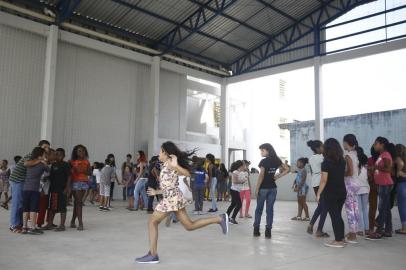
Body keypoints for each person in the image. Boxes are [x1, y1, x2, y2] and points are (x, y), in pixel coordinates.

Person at [135, 141, 229, 264]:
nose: (159, 154)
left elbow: (188, 174)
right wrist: (156, 192)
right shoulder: (166, 164)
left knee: (152, 222)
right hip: (173, 198)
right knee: (189, 226)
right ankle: (219, 219)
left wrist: (176, 165)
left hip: (171, 199)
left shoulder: (170, 164)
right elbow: (169, 185)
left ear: (166, 153)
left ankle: (153, 254)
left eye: (160, 151)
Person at [9, 140, 50, 233]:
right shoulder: (31, 155)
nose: (47, 149)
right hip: (17, 179)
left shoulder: (38, 158)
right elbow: (26, 163)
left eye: (48, 147)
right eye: (45, 147)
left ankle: (21, 224)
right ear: (39, 147)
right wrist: (41, 160)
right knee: (17, 203)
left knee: (23, 204)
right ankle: (14, 225)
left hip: (25, 181)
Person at [254, 143, 289, 238]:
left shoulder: (264, 161)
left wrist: (256, 189)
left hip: (263, 189)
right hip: (273, 188)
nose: (261, 152)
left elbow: (261, 175)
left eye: (262, 150)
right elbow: (287, 169)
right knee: (270, 210)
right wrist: (277, 177)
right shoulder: (276, 160)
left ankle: (256, 230)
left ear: (268, 150)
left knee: (259, 210)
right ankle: (268, 231)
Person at [316, 138, 347, 248]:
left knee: (335, 216)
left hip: (331, 193)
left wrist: (318, 193)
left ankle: (338, 240)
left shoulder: (326, 163)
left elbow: (324, 180)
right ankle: (342, 238)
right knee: (338, 215)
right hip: (342, 192)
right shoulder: (342, 161)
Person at [366, 137, 394, 240]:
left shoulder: (385, 155)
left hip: (385, 184)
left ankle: (379, 231)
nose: (374, 145)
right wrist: (372, 168)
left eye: (376, 143)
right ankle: (388, 230)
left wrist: (375, 167)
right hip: (382, 184)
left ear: (382, 144)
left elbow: (388, 169)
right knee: (386, 208)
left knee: (382, 208)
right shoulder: (382, 155)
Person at [22, 147, 49, 235]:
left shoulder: (29, 162)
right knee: (33, 208)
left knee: (26, 208)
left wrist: (40, 160)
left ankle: (24, 227)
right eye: (44, 154)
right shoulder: (41, 164)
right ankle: (32, 228)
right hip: (34, 189)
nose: (45, 155)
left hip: (26, 188)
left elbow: (26, 163)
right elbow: (48, 171)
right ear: (40, 154)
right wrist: (43, 161)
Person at [306, 140, 329, 237]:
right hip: (321, 182)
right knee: (324, 207)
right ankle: (319, 230)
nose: (324, 148)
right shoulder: (322, 157)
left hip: (315, 183)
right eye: (322, 146)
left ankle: (311, 224)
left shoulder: (311, 158)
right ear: (317, 148)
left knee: (321, 206)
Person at [342, 134, 361, 243]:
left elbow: (349, 171)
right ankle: (353, 232)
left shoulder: (348, 155)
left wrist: (341, 173)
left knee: (350, 210)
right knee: (355, 208)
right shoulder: (356, 154)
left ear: (346, 143)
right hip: (356, 183)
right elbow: (357, 171)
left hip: (349, 184)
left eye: (343, 142)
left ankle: (353, 235)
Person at [46, 148, 71, 231]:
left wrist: (67, 188)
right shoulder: (53, 165)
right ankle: (49, 224)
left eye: (59, 154)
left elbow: (69, 177)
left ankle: (62, 225)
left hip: (62, 190)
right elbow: (50, 176)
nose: (57, 156)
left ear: (63, 156)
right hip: (53, 190)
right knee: (52, 207)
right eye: (56, 154)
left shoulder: (66, 165)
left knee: (62, 207)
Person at [69, 144, 90, 231]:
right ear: (76, 153)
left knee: (77, 203)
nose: (82, 152)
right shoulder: (71, 162)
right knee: (79, 202)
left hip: (84, 183)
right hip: (75, 183)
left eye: (83, 151)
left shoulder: (87, 162)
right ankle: (80, 223)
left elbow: (89, 172)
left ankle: (73, 221)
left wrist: (85, 171)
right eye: (79, 151)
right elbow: (70, 174)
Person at [37, 149, 56, 228]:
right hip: (43, 190)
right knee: (42, 206)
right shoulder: (42, 164)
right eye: (53, 154)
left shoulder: (53, 164)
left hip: (51, 188)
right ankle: (39, 222)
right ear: (47, 155)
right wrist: (41, 189)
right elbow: (39, 177)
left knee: (52, 206)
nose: (55, 156)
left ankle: (49, 221)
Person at [354, 147, 370, 236]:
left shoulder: (355, 165)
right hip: (366, 188)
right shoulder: (365, 165)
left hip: (357, 189)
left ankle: (360, 229)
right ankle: (367, 229)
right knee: (364, 209)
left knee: (358, 210)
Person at [227, 160, 247, 224]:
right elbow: (234, 181)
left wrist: (243, 180)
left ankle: (226, 217)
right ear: (240, 166)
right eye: (243, 166)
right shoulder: (235, 172)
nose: (244, 167)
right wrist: (242, 181)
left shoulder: (239, 172)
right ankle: (232, 218)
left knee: (233, 204)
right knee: (239, 204)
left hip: (236, 190)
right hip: (234, 190)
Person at [367, 146, 379, 232]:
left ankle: (371, 226)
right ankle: (377, 223)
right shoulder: (382, 159)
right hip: (382, 184)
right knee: (384, 207)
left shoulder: (369, 160)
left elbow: (368, 174)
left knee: (373, 207)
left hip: (372, 185)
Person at [394, 144, 406, 234]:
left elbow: (400, 163)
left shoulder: (398, 158)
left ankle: (404, 228)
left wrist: (398, 171)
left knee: (402, 206)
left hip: (401, 184)